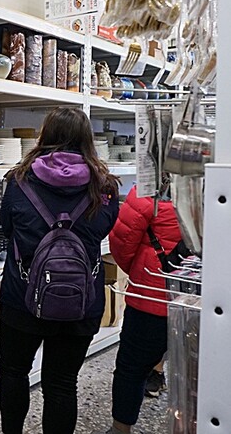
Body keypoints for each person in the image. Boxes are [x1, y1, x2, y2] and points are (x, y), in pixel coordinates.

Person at [0, 107, 120, 434]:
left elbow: (8, 229)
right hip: (82, 301)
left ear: (45, 135)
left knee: (14, 373)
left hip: (22, 295)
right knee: (62, 383)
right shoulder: (105, 188)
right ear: (88, 140)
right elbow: (103, 230)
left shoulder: (19, 181)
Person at [106, 184, 184, 433]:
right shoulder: (217, 194)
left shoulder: (148, 192)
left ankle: (121, 428)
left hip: (151, 295)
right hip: (204, 299)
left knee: (131, 367)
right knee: (199, 369)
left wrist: (141, 271)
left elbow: (121, 242)